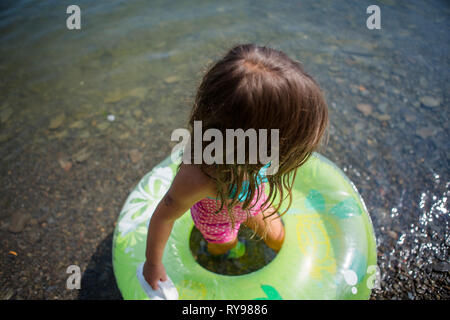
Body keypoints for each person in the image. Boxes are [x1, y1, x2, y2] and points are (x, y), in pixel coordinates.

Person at [143, 43, 328, 290]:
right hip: (217, 219)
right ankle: (224, 259)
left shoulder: (261, 155)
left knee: (278, 240)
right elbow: (164, 216)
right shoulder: (199, 176)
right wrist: (153, 263)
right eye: (287, 144)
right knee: (226, 249)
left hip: (253, 199)